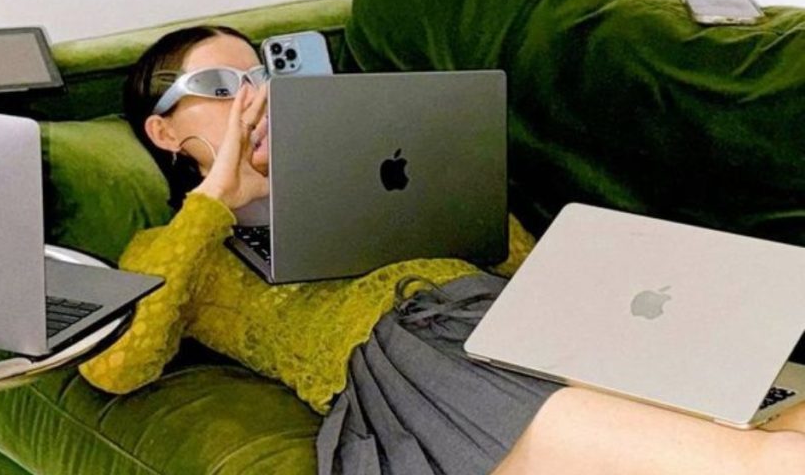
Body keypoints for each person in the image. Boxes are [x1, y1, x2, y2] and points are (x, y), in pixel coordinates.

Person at [79, 25, 805, 474]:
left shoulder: (358, 168)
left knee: (781, 410)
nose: (251, 99)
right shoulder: (174, 244)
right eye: (218, 86)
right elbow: (117, 364)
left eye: (262, 76)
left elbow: (511, 264)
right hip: (412, 362)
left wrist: (445, 175)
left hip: (517, 319)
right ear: (165, 133)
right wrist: (214, 201)